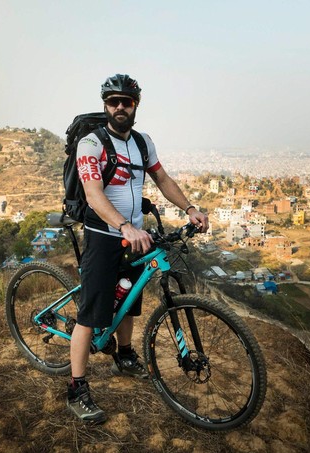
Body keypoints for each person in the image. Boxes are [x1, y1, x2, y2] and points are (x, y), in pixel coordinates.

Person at [67, 74, 209, 424]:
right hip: (104, 235)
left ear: (135, 106)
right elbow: (93, 194)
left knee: (129, 300)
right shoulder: (91, 144)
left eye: (126, 102)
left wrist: (189, 208)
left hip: (136, 237)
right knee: (90, 313)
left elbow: (162, 179)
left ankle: (126, 354)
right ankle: (76, 386)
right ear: (105, 105)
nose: (119, 107)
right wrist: (123, 226)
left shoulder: (143, 143)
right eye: (113, 101)